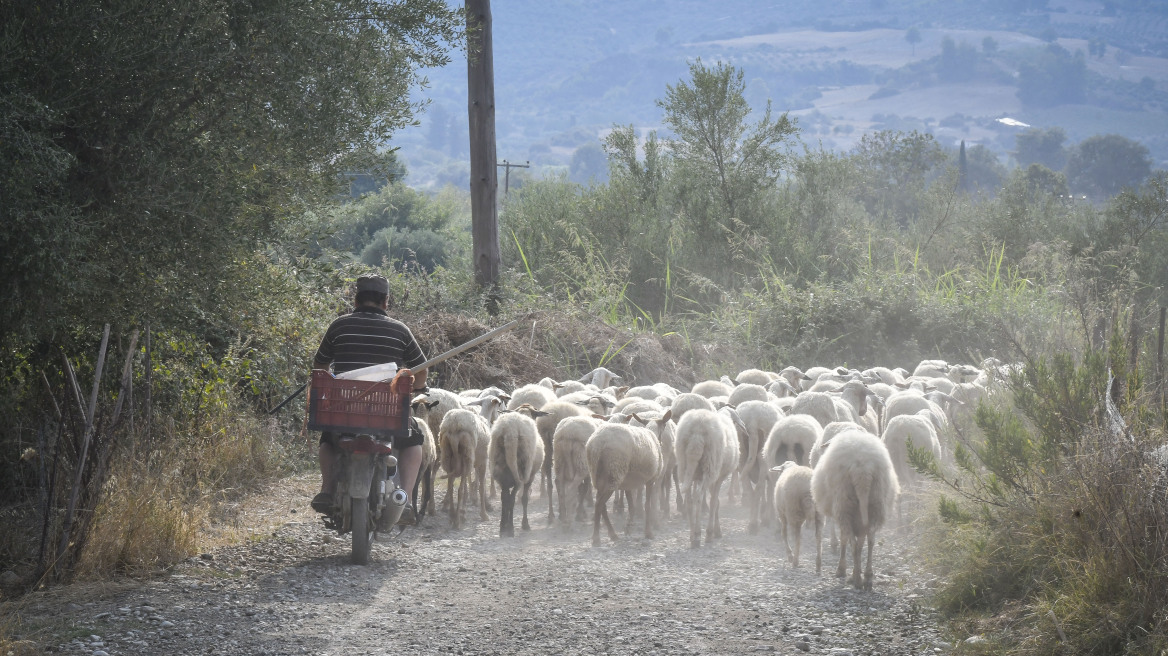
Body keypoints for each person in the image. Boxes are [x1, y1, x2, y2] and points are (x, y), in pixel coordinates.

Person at [310, 273, 428, 525]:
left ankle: (327, 489)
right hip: (386, 414)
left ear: (356, 299)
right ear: (386, 301)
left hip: (344, 413)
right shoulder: (400, 330)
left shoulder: (338, 326)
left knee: (328, 441)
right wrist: (419, 388)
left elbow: (320, 365)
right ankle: (405, 498)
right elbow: (421, 368)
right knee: (414, 440)